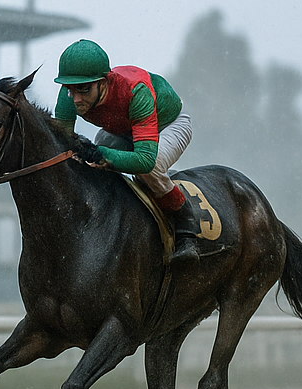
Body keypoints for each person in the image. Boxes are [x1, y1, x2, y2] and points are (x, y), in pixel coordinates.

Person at [51, 39, 201, 264]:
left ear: (103, 82)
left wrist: (106, 156)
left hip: (168, 125)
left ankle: (186, 224)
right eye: (70, 89)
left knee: (149, 169)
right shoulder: (69, 96)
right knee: (98, 148)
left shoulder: (135, 91)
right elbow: (61, 144)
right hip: (125, 129)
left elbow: (145, 160)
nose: (76, 98)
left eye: (84, 89)